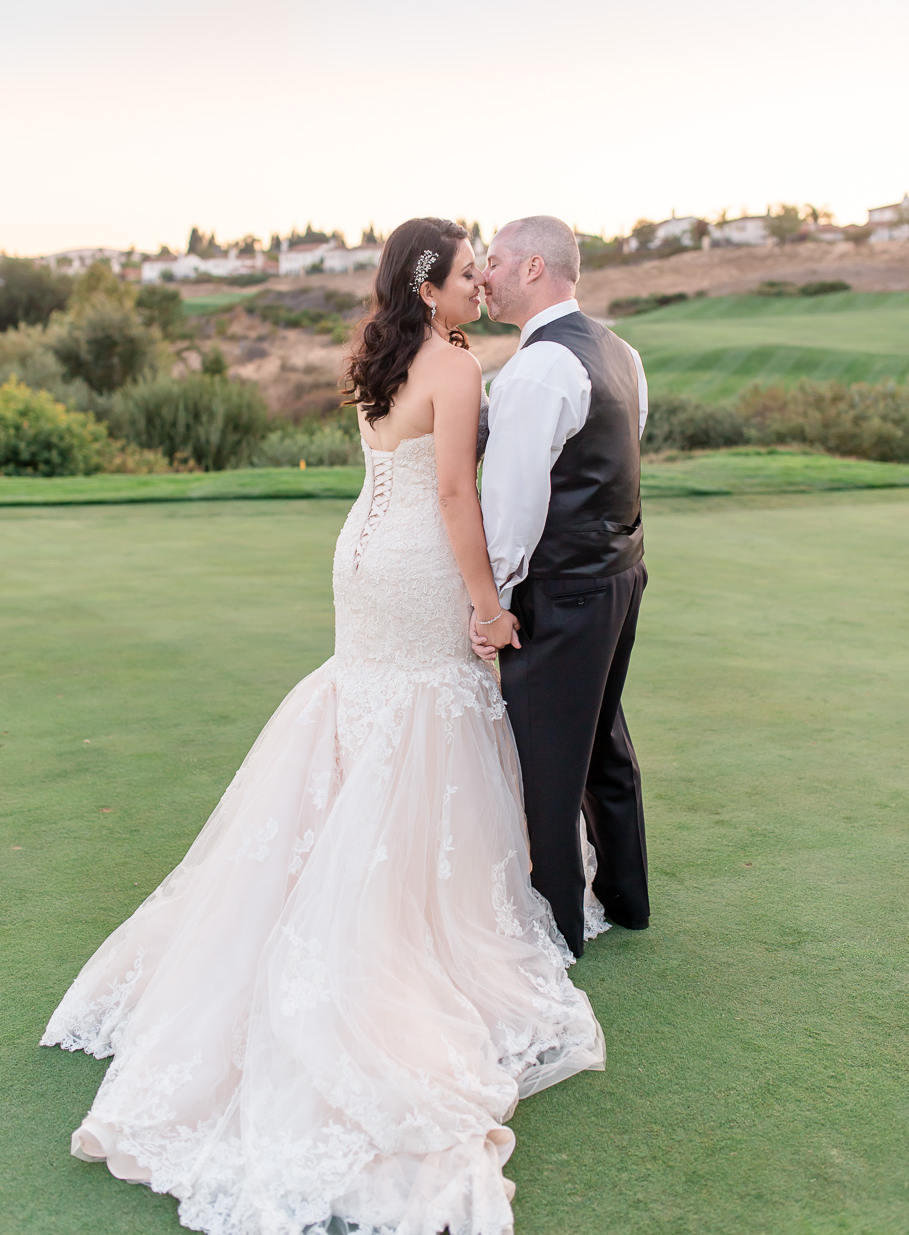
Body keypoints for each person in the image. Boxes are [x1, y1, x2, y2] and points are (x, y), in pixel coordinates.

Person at [42, 218, 605, 1235]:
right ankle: (385, 907)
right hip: (419, 566)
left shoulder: (381, 351)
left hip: (359, 560)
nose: (481, 286)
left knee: (373, 704)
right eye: (470, 273)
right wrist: (485, 605)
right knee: (427, 709)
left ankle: (331, 872)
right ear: (431, 284)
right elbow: (451, 495)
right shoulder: (451, 361)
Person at [472, 216, 650, 959]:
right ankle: (627, 898)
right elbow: (626, 440)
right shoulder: (621, 350)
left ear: (536, 268)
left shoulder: (538, 369)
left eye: (496, 262)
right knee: (604, 737)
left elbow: (512, 504)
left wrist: (496, 601)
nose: (485, 274)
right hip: (621, 573)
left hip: (566, 589)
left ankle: (556, 935)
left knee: (548, 760)